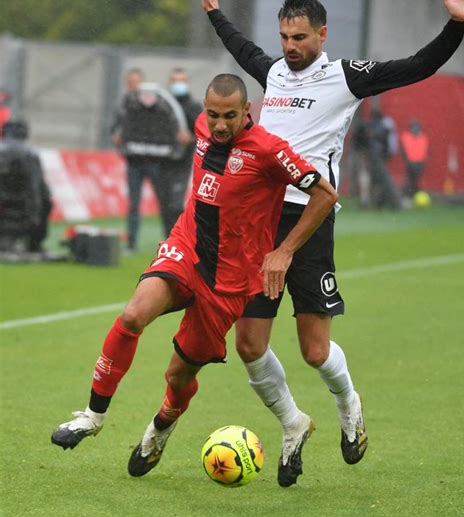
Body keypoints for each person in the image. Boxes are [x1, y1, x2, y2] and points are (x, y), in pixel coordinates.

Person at [200, 0, 464, 486]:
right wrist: (214, 10)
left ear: (322, 35)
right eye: (284, 37)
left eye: (299, 38)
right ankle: (292, 425)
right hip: (260, 221)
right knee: (250, 346)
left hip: (309, 220)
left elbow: (418, 66)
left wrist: (455, 24)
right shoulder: (275, 72)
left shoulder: (346, 76)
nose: (289, 47)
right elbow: (243, 49)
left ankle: (349, 404)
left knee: (315, 351)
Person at [51, 74, 338, 481]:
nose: (220, 125)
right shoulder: (201, 127)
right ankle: (93, 417)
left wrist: (284, 251)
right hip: (187, 248)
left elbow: (326, 194)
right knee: (134, 314)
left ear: (247, 112)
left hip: (230, 281)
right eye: (213, 115)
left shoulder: (270, 151)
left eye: (230, 117)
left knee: (178, 376)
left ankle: (162, 425)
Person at [111, 68, 192, 250]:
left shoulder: (158, 103)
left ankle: (170, 242)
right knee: (134, 204)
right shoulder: (125, 105)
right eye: (130, 83)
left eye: (136, 83)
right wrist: (116, 136)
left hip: (157, 163)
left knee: (165, 203)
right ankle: (131, 243)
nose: (133, 86)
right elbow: (115, 128)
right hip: (134, 162)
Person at [0, 120, 52, 253]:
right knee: (47, 202)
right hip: (23, 215)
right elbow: (40, 193)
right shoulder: (30, 155)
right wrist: (34, 220)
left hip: (5, 210)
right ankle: (34, 245)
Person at [168, 67, 204, 201]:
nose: (178, 84)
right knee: (165, 200)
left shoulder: (193, 106)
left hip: (185, 158)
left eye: (181, 81)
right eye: (174, 81)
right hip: (163, 159)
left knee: (176, 200)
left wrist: (190, 137)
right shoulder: (163, 104)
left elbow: (202, 132)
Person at [366, 108, 401, 210]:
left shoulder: (376, 127)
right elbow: (389, 144)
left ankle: (394, 203)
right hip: (382, 155)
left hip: (377, 156)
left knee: (383, 180)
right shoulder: (386, 126)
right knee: (379, 180)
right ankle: (380, 203)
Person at [400, 119, 430, 201]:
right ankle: (407, 198)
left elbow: (425, 151)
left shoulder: (423, 138)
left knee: (416, 182)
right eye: (413, 127)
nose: (415, 130)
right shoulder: (406, 136)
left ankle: (415, 198)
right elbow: (403, 150)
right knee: (409, 182)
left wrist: (423, 162)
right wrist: (407, 161)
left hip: (419, 163)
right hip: (410, 163)